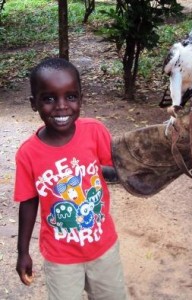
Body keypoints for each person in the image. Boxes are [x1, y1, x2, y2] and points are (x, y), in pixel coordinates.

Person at [14, 58, 127, 300]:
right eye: (49, 98)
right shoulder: (28, 153)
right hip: (61, 258)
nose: (62, 106)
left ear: (81, 99)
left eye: (71, 97)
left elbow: (116, 169)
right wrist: (22, 251)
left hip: (103, 248)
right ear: (34, 103)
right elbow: (28, 201)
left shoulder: (95, 131)